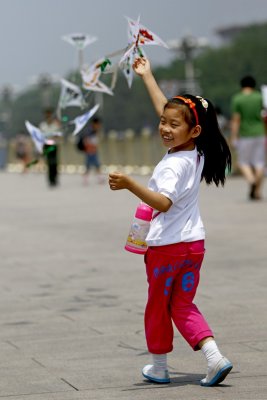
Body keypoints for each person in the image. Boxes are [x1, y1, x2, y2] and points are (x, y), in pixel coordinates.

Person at [109, 57, 232, 387]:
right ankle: (214, 357)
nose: (164, 127)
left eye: (172, 125)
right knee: (183, 304)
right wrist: (147, 75)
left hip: (167, 250)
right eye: (163, 121)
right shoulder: (197, 151)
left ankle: (160, 367)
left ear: (193, 130)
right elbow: (170, 111)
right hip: (194, 247)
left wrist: (131, 184)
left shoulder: (172, 166)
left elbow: (163, 202)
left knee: (158, 307)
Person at [230, 76, 266, 200]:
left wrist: (234, 137)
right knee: (259, 163)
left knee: (243, 162)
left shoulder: (237, 99)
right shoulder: (259, 97)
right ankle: (257, 192)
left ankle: (251, 181)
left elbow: (236, 119)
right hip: (260, 132)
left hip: (245, 135)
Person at [39, 108, 62, 187]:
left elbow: (59, 135)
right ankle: (51, 180)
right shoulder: (43, 125)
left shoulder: (55, 125)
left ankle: (55, 178)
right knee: (49, 163)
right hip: (46, 145)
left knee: (54, 162)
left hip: (54, 145)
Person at [82, 117, 104, 185]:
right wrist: (90, 148)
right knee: (92, 164)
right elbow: (86, 141)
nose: (99, 125)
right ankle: (87, 179)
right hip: (90, 150)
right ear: (95, 123)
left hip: (93, 150)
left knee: (93, 165)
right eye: (98, 124)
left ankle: (97, 178)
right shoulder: (90, 131)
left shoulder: (94, 130)